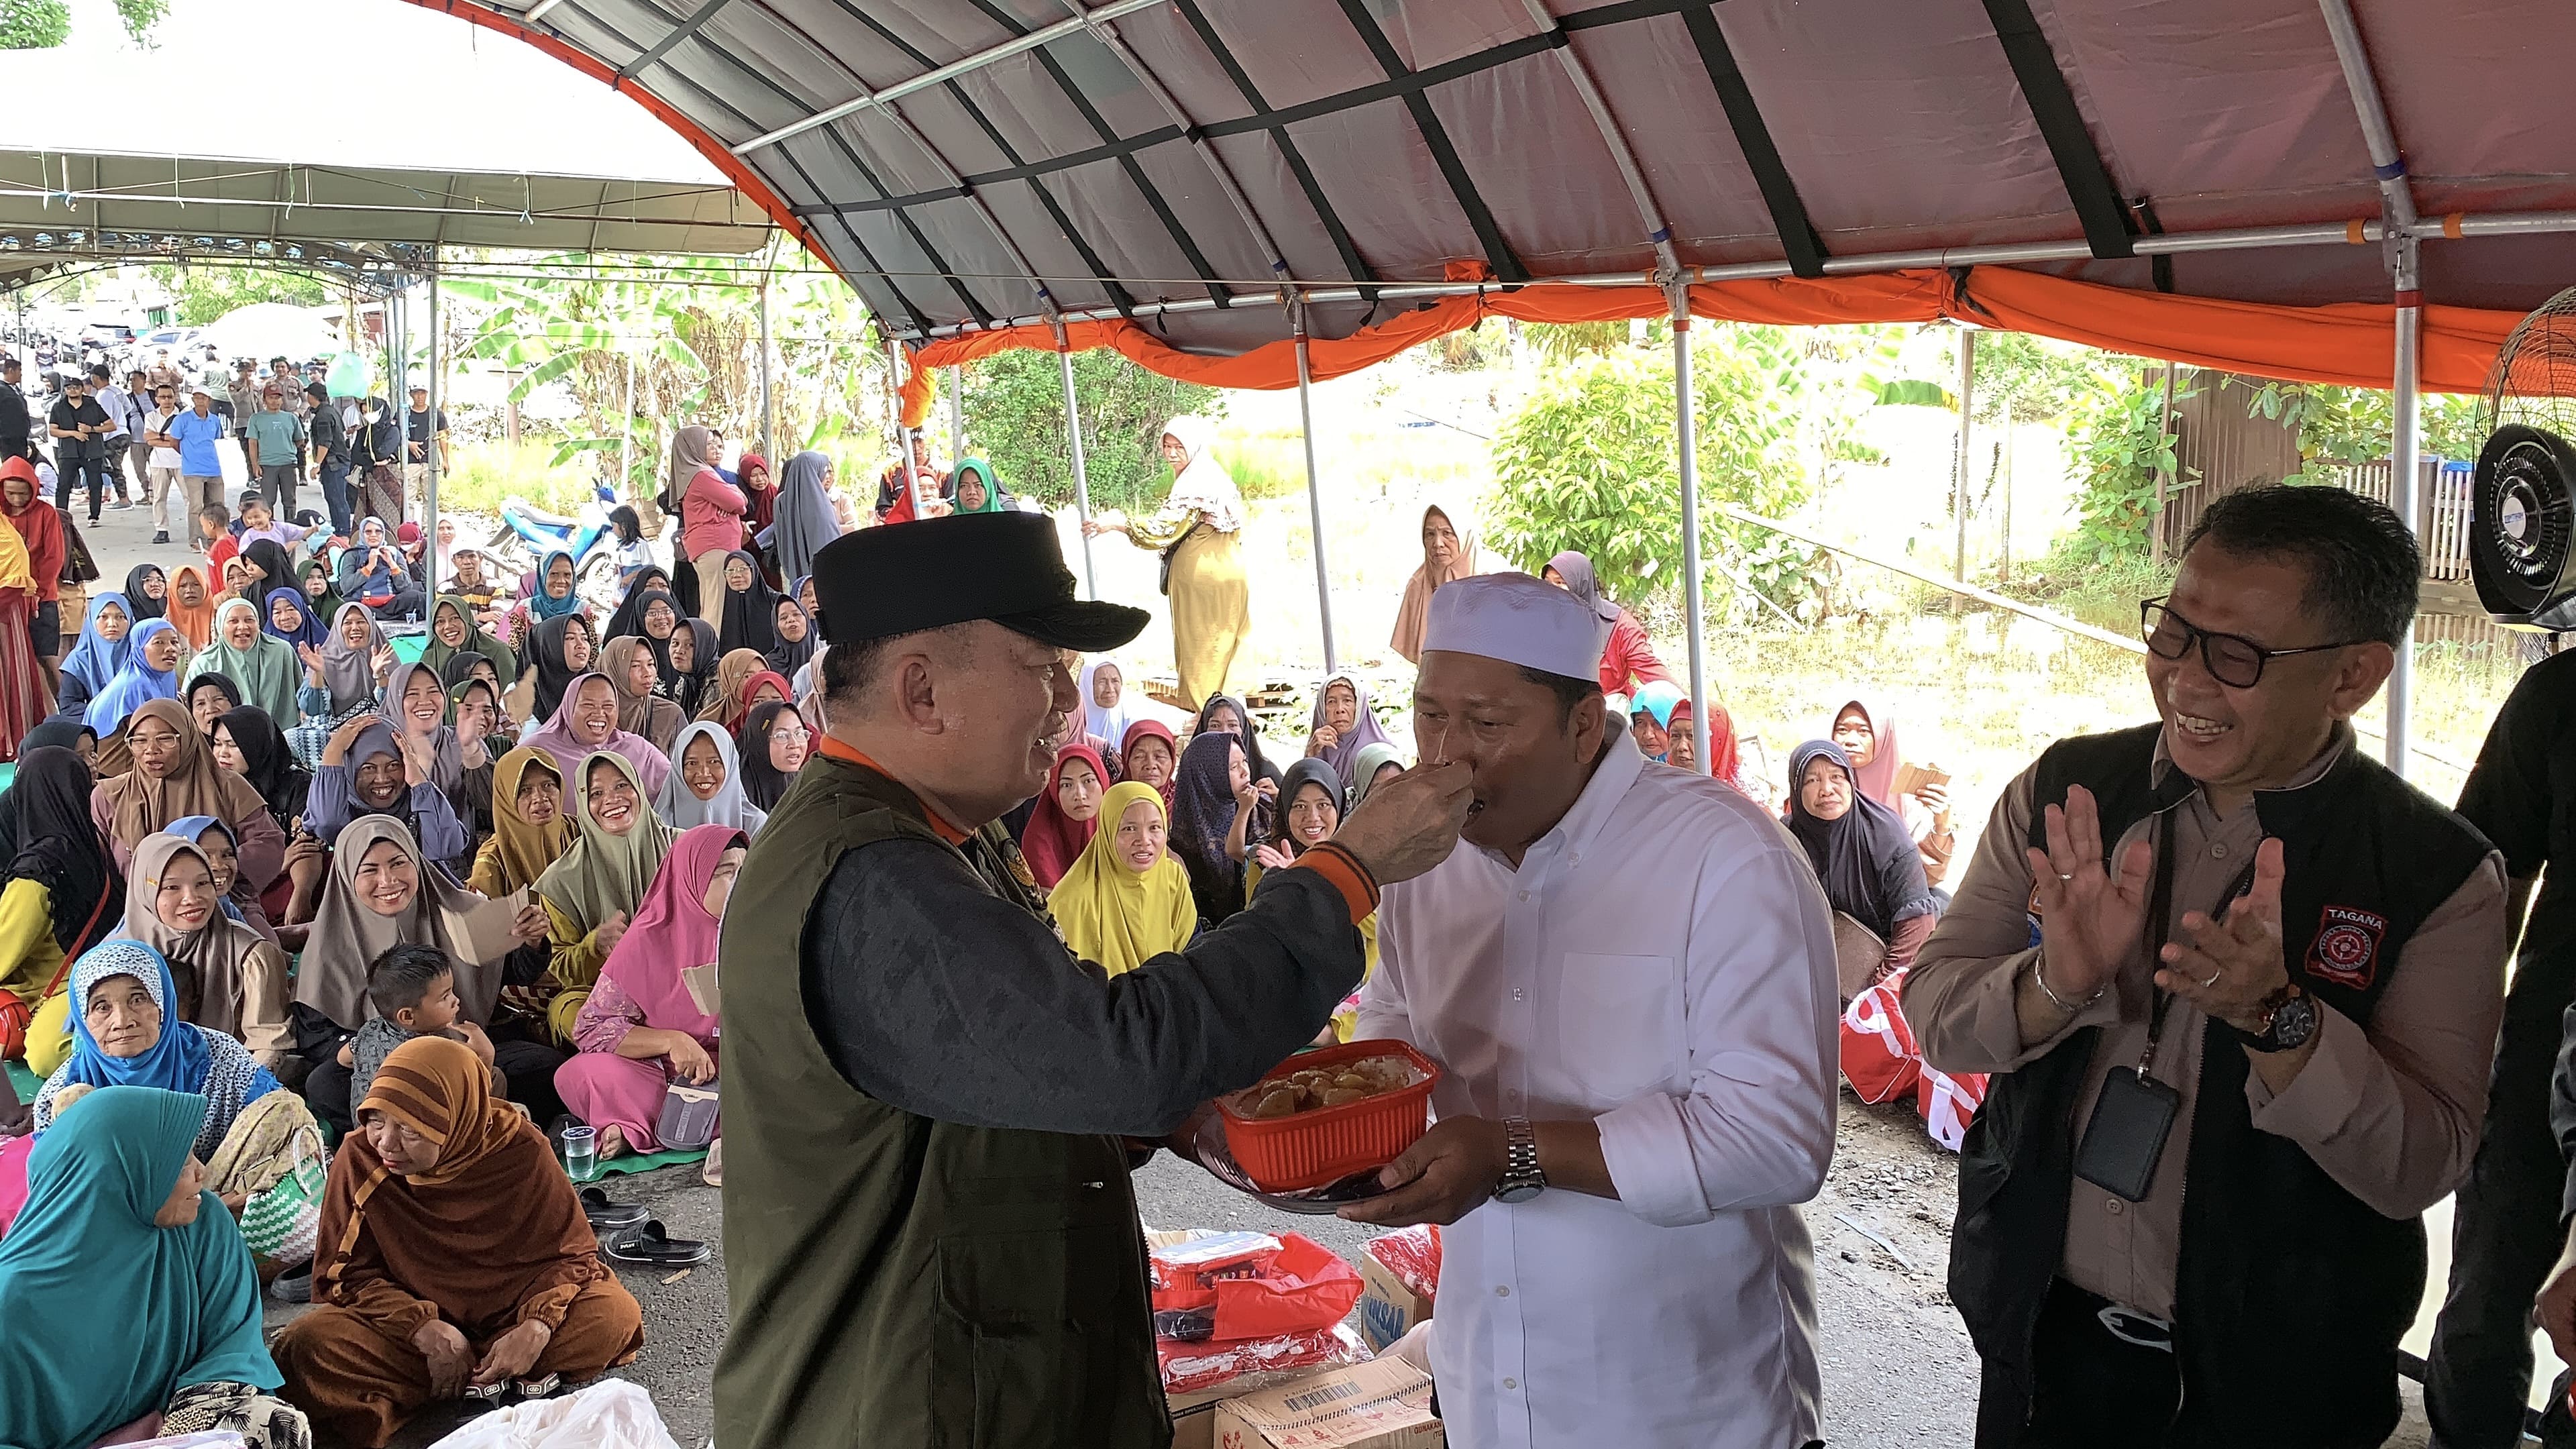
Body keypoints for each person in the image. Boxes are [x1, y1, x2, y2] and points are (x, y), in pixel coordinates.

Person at [710, 508, 1470, 1448]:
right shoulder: (873, 879)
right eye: (1042, 667)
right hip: (901, 1405)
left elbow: (1041, 1056)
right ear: (922, 692)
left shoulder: (942, 835)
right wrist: (1342, 874)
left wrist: (1195, 1111)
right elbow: (1121, 1050)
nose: (1069, 704)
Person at [1900, 485, 2506, 1446]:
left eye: (2238, 656)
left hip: (2278, 1384)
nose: (2185, 680)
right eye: (2174, 633)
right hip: (2039, 1336)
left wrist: (2280, 1021)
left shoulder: (2435, 874)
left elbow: (2421, 1165)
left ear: (2353, 675)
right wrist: (2055, 982)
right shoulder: (2072, 792)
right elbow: (1932, 1008)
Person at [1346, 571, 1837, 1448]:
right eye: (1429, 716)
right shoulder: (1422, 860)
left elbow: (1780, 1138)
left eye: (1487, 724)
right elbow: (1395, 1015)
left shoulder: (1723, 857)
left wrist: (1513, 1154)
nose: (1446, 754)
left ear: (1580, 725)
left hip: (1683, 1411)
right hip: (1488, 1396)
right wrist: (1353, 1124)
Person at [273, 1036, 644, 1449]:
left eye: (410, 1130)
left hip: (514, 1315)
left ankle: (463, 1383)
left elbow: (573, 1252)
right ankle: (502, 1383)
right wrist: (423, 1329)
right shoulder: (361, 1159)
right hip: (415, 1329)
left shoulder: (520, 1149)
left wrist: (538, 1325)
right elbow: (343, 1277)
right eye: (376, 1121)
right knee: (308, 1344)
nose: (387, 1143)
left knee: (612, 1316)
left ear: (455, 1122)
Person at [0, 1084, 313, 1449]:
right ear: (120, 1178)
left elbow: (232, 1342)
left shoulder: (202, 1223)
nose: (202, 1174)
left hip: (178, 1419)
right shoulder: (13, 1307)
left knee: (270, 1426)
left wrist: (183, 1424)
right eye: (180, 1165)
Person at [295, 818, 555, 1134]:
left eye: (398, 863)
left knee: (542, 1064)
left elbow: (513, 972)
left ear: (416, 861)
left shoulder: (459, 911)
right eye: (370, 870)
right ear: (348, 876)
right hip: (384, 1063)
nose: (388, 880)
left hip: (462, 1043)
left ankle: (500, 1135)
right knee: (324, 1085)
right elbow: (316, 1034)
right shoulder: (327, 944)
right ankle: (395, 1145)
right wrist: (372, 1047)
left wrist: (532, 941)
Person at [555, 822, 741, 1157]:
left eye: (747, 870)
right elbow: (592, 1029)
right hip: (665, 1075)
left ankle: (645, 1127)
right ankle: (648, 1125)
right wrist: (673, 1041)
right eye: (726, 873)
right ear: (692, 880)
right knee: (580, 1073)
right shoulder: (648, 940)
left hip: (738, 1070)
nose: (741, 883)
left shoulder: (759, 929)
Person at [32, 941, 290, 1166]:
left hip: (221, 1197)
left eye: (138, 999)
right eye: (102, 1007)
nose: (123, 1021)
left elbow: (276, 1118)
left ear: (163, 1003)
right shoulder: (59, 1095)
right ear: (83, 1019)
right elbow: (61, 1189)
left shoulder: (219, 1056)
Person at [1085, 415, 1250, 708]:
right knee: (1223, 653)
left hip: (1203, 583)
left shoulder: (1196, 484)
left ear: (1194, 447)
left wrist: (1119, 524)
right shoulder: (1215, 478)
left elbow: (1164, 529)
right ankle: (1226, 714)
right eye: (1167, 446)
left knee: (1201, 655)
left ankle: (1207, 719)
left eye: (1179, 447)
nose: (1172, 454)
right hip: (1230, 579)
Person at [120, 830, 295, 1073]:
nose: (192, 898)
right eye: (172, 887)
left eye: (203, 883)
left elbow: (269, 1045)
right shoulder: (119, 958)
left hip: (231, 1080)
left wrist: (224, 1094)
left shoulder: (251, 954)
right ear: (145, 892)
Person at [0, 747, 120, 1070]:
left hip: (61, 988)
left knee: (45, 1052)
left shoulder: (36, 875)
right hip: (106, 973)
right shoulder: (99, 845)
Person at [1786, 739, 1940, 989]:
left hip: (1889, 961)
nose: (1827, 789)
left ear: (1851, 781)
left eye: (1837, 777)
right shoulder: (1787, 838)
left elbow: (1917, 926)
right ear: (1796, 788)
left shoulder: (1886, 836)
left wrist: (1877, 991)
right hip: (1817, 966)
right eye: (1812, 780)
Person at [1048, 780, 1194, 976]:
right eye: (1129, 828)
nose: (1144, 840)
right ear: (1108, 831)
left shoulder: (1173, 878)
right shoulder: (1073, 901)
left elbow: (1189, 948)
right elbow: (1070, 985)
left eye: (1155, 827)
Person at [339, 943, 503, 1111]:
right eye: (445, 997)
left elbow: (343, 1058)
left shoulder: (370, 1029)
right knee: (496, 1078)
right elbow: (469, 1103)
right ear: (408, 1016)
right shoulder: (436, 1052)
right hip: (408, 1134)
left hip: (367, 1129)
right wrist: (485, 1056)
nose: (456, 1000)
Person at [303, 718, 470, 874]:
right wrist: (334, 751)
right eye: (368, 768)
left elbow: (447, 847)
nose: (382, 779)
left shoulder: (420, 801)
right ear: (350, 770)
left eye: (393, 766)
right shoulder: (343, 808)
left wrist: (419, 782)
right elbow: (327, 825)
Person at [1830, 695, 1958, 888]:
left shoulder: (1907, 800)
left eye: (1863, 731)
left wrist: (1941, 827)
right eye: (1842, 730)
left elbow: (1925, 879)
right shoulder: (1820, 791)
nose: (1850, 741)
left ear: (1883, 738)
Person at [1542, 549, 1672, 696]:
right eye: (1547, 583)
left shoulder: (1619, 626)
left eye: (1560, 583)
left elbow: (1653, 673)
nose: (1551, 590)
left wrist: (1690, 708)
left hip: (1608, 711)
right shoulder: (1541, 621)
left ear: (1581, 585)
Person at [523, 672, 674, 798]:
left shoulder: (637, 749)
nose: (599, 714)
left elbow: (677, 784)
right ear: (569, 707)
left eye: (608, 706)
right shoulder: (537, 751)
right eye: (588, 705)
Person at [83, 620, 186, 769]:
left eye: (174, 642)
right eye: (159, 643)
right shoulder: (136, 685)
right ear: (139, 649)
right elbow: (154, 744)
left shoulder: (163, 677)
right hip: (118, 777)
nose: (170, 649)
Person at [1391, 500, 1480, 664]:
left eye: (1447, 533)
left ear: (1464, 536)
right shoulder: (1418, 585)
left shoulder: (1494, 579)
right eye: (1430, 534)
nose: (1437, 544)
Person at [190, 596, 301, 723]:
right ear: (220, 627)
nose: (242, 626)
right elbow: (191, 711)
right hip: (225, 739)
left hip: (282, 736)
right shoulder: (204, 664)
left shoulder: (281, 651)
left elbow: (302, 698)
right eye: (233, 621)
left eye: (249, 620)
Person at [0, 458, 64, 673]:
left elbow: (53, 557)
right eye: (10, 493)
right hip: (8, 597)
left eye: (23, 493)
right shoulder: (1, 515)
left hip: (42, 597)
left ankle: (67, 707)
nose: (17, 499)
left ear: (34, 488)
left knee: (47, 659)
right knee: (13, 661)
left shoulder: (47, 513)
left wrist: (37, 591)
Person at [677, 425, 747, 625]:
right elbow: (739, 504)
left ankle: (708, 649)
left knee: (710, 604)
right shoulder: (701, 475)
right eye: (708, 444)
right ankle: (712, 652)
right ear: (695, 447)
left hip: (709, 547)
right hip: (716, 547)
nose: (715, 449)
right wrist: (733, 492)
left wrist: (731, 490)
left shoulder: (693, 474)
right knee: (718, 609)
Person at [1019, 741, 1107, 889]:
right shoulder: (1038, 841)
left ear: (1103, 782)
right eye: (1067, 785)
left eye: (1088, 781)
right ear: (1053, 790)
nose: (1080, 795)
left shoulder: (1122, 830)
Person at [656, 720, 766, 835]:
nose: (704, 773)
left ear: (730, 765)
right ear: (678, 769)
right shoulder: (659, 830)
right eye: (692, 763)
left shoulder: (756, 827)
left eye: (714, 762)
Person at [1305, 672, 1396, 792]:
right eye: (1331, 702)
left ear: (1359, 707)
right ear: (1322, 709)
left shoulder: (1383, 753)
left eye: (1347, 701)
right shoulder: (1318, 748)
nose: (1339, 709)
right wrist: (1310, 758)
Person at [56, 589, 133, 717]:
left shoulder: (141, 654)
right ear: (92, 620)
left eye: (120, 617)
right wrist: (111, 712)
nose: (112, 624)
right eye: (103, 617)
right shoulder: (79, 660)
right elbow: (69, 707)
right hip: (96, 723)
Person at [46, 370, 111, 523]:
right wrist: (73, 433)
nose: (72, 390)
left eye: (76, 387)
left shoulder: (92, 404)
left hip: (91, 451)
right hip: (68, 452)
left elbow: (110, 425)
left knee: (95, 483)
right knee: (64, 485)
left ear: (82, 389)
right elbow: (53, 430)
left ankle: (94, 515)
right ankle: (61, 516)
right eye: (69, 388)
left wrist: (92, 429)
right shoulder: (59, 407)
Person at [770, 449, 841, 586]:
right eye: (823, 471)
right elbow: (830, 548)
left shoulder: (781, 502)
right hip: (821, 579)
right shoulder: (821, 507)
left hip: (794, 577)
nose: (826, 476)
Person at [168, 384, 229, 538]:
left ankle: (216, 538)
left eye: (203, 398)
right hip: (193, 470)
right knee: (196, 506)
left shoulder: (214, 420)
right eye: (197, 397)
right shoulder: (182, 419)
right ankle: (196, 539)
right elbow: (174, 442)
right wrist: (189, 455)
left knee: (217, 506)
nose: (200, 401)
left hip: (214, 468)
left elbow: (214, 439)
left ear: (209, 400)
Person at [603, 635, 686, 751]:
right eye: (636, 666)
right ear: (614, 670)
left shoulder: (670, 715)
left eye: (650, 664)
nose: (647, 673)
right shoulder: (595, 717)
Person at [420, 594, 517, 692]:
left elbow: (514, 697)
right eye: (440, 621)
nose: (448, 626)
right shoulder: (430, 657)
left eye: (455, 618)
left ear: (467, 619)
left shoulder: (498, 651)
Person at [337, 517, 423, 621]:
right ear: (362, 534)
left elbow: (406, 587)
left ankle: (378, 617)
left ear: (383, 534)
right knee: (342, 604)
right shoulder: (353, 554)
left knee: (417, 597)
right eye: (368, 532)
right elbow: (345, 587)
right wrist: (369, 567)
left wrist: (392, 564)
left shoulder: (394, 553)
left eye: (378, 532)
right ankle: (386, 617)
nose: (373, 535)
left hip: (390, 603)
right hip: (363, 604)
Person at [519, 611, 596, 725]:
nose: (581, 645)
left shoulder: (595, 689)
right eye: (570, 638)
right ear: (548, 646)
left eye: (585, 639)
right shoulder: (516, 695)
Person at [244, 384, 305, 515]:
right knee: (267, 501)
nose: (275, 401)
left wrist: (287, 447)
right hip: (267, 465)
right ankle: (269, 529)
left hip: (288, 464)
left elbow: (300, 440)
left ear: (282, 400)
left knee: (290, 501)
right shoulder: (256, 419)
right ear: (264, 400)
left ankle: (290, 527)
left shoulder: (291, 418)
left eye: (278, 397)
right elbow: (252, 443)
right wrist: (255, 465)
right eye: (271, 398)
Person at [737, 699, 807, 811]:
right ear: (759, 741)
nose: (795, 744)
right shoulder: (738, 793)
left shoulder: (804, 784)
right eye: (781, 736)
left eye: (799, 734)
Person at [714, 548, 782, 657]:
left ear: (753, 570)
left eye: (742, 569)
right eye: (730, 571)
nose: (736, 575)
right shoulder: (721, 606)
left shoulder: (775, 601)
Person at [307, 380, 354, 538]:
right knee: (335, 498)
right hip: (337, 463)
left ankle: (343, 532)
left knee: (337, 498)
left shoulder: (323, 416)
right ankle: (340, 529)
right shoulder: (331, 411)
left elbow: (325, 442)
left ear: (312, 396)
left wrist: (317, 464)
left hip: (334, 464)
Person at [401, 384, 447, 508]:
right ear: (411, 395)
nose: (420, 397)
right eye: (416, 393)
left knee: (430, 500)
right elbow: (395, 435)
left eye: (422, 393)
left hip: (430, 461)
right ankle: (410, 527)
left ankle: (428, 528)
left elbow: (443, 436)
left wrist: (445, 460)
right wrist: (409, 444)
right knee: (408, 500)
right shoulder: (405, 414)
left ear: (427, 394)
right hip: (410, 462)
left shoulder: (436, 414)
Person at [1121, 717, 1179, 808]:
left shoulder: (1185, 803)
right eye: (1139, 756)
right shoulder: (1109, 803)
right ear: (1126, 761)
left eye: (1160, 756)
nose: (1151, 765)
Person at [523, 549, 584, 631]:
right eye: (554, 574)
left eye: (567, 575)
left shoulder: (582, 610)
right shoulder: (526, 610)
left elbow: (590, 643)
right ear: (542, 577)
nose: (561, 581)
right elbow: (515, 643)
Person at [765, 594, 816, 680]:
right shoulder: (768, 666)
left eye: (796, 614)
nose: (791, 620)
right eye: (784, 618)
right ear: (776, 627)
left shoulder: (823, 657)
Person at [185, 672, 244, 736]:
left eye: (218, 699)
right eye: (201, 704)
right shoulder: (183, 745)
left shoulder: (253, 741)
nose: (210, 710)